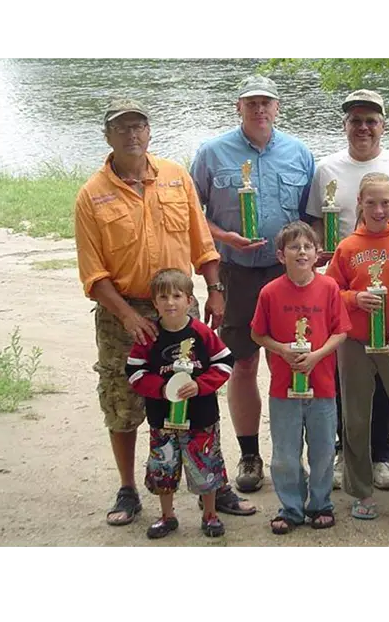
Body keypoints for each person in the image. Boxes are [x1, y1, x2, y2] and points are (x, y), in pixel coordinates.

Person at [74, 98, 254, 527]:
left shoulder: (175, 177)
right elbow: (93, 272)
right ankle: (129, 489)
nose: (132, 134)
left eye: (139, 126)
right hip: (125, 311)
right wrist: (127, 316)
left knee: (197, 394)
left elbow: (202, 243)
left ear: (149, 132)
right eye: (122, 128)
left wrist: (213, 290)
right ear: (108, 137)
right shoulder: (91, 195)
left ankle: (214, 485)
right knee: (124, 400)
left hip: (180, 303)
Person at [190, 75, 316, 493]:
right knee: (242, 364)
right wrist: (224, 240)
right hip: (238, 274)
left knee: (291, 360)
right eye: (252, 103)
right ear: (238, 107)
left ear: (278, 108)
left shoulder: (299, 154)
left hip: (288, 277)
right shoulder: (211, 153)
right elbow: (191, 217)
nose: (260, 109)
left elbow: (311, 218)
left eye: (267, 103)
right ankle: (249, 455)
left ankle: (291, 453)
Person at [305, 89, 389, 493]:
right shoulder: (327, 170)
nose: (363, 127)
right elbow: (328, 270)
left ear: (383, 124)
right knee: (353, 403)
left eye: (371, 120)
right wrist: (350, 298)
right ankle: (353, 470)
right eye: (355, 120)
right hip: (353, 328)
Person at [326, 173, 389, 520]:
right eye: (372, 203)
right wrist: (355, 298)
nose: (380, 210)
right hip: (354, 343)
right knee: (355, 417)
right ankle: (361, 490)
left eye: (386, 203)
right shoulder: (348, 246)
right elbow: (330, 292)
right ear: (360, 204)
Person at [250, 221, 350, 534]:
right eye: (294, 247)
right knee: (285, 454)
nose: (302, 252)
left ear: (318, 253)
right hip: (284, 388)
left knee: (322, 450)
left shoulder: (329, 288)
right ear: (281, 255)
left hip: (322, 386)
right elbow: (257, 334)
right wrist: (282, 349)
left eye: (308, 246)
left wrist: (317, 355)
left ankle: (320, 504)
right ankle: (290, 507)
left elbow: (341, 331)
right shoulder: (270, 292)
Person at [125, 269, 236, 539]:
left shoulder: (201, 333)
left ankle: (210, 514)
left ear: (189, 300)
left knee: (206, 466)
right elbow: (134, 371)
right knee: (164, 467)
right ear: (154, 303)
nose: (170, 302)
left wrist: (201, 385)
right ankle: (167, 516)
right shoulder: (149, 335)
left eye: (177, 296)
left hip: (201, 416)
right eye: (163, 297)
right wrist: (161, 389)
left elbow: (225, 362)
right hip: (162, 418)